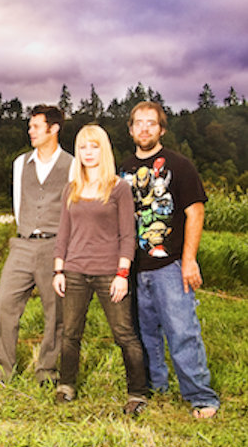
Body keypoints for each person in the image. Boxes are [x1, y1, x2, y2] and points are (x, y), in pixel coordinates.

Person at [120, 101, 219, 419]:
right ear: (131, 129)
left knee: (182, 331)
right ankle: (156, 388)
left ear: (161, 129)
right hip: (135, 268)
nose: (144, 128)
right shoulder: (122, 169)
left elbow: (195, 213)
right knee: (144, 334)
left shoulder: (180, 165)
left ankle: (201, 397)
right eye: (139, 122)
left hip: (170, 266)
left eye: (151, 123)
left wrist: (189, 260)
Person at [53, 124, 148, 416]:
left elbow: (127, 235)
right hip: (75, 271)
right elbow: (63, 232)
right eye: (83, 147)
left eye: (94, 146)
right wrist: (58, 270)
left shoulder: (118, 188)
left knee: (124, 333)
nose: (88, 152)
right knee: (70, 333)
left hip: (109, 272)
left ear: (103, 150)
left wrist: (122, 274)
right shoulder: (71, 188)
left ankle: (137, 393)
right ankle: (66, 386)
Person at [0, 105, 73, 386]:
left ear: (54, 129)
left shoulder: (72, 165)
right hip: (23, 244)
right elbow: (18, 202)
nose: (30, 131)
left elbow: (74, 210)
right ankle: (0, 371)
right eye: (30, 126)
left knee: (56, 312)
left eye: (36, 126)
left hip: (55, 246)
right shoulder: (20, 163)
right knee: (5, 303)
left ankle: (47, 371)